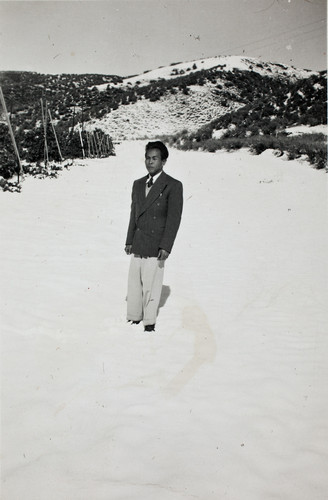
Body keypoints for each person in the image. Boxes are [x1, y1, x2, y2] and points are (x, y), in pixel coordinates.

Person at [125, 141, 183, 332]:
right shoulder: (138, 184)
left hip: (156, 245)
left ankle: (149, 322)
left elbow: (174, 219)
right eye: (148, 158)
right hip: (139, 242)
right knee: (134, 283)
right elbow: (134, 213)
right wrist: (129, 240)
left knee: (151, 284)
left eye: (155, 158)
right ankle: (134, 316)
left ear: (164, 161)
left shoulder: (173, 185)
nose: (150, 162)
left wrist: (166, 246)